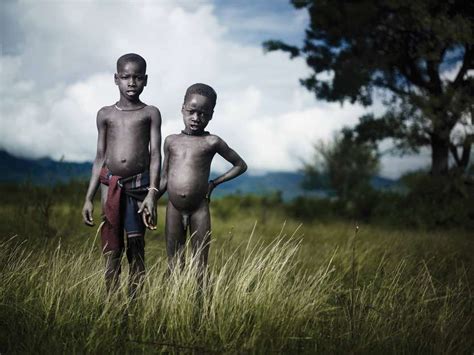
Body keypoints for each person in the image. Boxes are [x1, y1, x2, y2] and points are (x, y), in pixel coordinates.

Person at [81, 53, 162, 297]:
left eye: (137, 77)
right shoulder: (105, 114)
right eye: (126, 77)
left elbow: (156, 155)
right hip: (111, 185)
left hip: (140, 186)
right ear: (116, 79)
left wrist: (152, 193)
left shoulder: (150, 113)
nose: (131, 82)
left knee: (136, 247)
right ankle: (111, 305)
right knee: (112, 250)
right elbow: (99, 158)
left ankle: (134, 305)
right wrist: (88, 197)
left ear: (145, 80)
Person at [158, 83, 247, 287]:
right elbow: (164, 178)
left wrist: (214, 183)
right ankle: (172, 309)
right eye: (191, 111)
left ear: (211, 115)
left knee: (200, 265)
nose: (196, 118)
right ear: (182, 108)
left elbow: (240, 165)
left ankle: (202, 310)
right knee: (174, 264)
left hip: (199, 209)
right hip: (173, 208)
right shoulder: (171, 141)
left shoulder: (212, 142)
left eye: (203, 114)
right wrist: (149, 199)